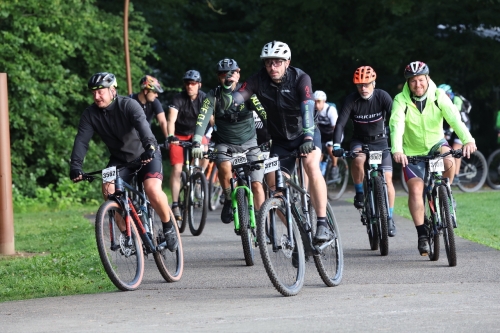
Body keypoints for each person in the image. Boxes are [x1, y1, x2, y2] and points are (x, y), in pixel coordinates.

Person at [219, 41, 331, 243]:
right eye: (269, 63)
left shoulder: (300, 78)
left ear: (287, 62)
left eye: (278, 62)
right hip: (280, 140)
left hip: (306, 133)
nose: (273, 67)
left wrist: (307, 136)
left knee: (311, 165)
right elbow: (241, 94)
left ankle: (322, 223)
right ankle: (297, 232)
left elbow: (307, 106)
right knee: (273, 186)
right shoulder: (258, 80)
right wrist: (231, 99)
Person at [69, 72, 178, 251]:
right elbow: (82, 141)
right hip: (120, 159)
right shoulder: (90, 114)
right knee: (108, 189)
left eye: (100, 91)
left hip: (146, 154)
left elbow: (143, 127)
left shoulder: (128, 105)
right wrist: (76, 166)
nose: (96, 96)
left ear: (113, 90)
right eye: (93, 92)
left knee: (151, 189)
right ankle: (130, 236)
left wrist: (150, 146)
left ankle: (168, 227)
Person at [389, 61, 477, 255]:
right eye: (413, 81)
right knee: (416, 189)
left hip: (435, 145)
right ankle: (422, 234)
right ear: (408, 83)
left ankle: (446, 190)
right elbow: (397, 125)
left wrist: (468, 140)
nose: (417, 84)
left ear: (427, 78)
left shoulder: (439, 96)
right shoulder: (400, 100)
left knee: (448, 160)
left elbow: (454, 118)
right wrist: (397, 150)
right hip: (411, 152)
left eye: (420, 80)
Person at [191, 58, 268, 224]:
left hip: (250, 144)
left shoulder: (248, 92)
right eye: (223, 74)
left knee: (256, 185)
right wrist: (197, 141)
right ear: (218, 77)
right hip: (225, 144)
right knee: (224, 166)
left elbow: (264, 113)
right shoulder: (213, 96)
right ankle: (228, 197)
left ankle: (263, 226)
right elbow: (202, 118)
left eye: (232, 73)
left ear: (239, 74)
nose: (228, 77)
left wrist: (274, 136)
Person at [332, 66, 396, 237]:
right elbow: (340, 124)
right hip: (359, 141)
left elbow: (396, 118)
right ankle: (360, 192)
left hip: (381, 142)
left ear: (374, 83)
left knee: (388, 180)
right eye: (359, 85)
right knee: (358, 160)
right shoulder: (351, 100)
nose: (363, 88)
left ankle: (389, 218)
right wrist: (336, 145)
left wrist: (399, 142)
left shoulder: (382, 96)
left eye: (367, 84)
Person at [167, 70, 208, 221]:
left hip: (197, 133)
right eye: (187, 84)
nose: (190, 86)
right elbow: (171, 119)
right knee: (177, 169)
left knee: (206, 151)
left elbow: (212, 120)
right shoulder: (178, 98)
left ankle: (198, 177)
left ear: (199, 85)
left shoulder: (205, 98)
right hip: (179, 135)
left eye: (193, 84)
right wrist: (171, 136)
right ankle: (176, 204)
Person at [438, 84, 472, 185]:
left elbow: (454, 117)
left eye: (445, 95)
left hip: (463, 125)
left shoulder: (456, 99)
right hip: (450, 126)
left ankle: (456, 175)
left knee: (456, 148)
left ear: (449, 94)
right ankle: (440, 171)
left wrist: (449, 130)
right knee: (441, 144)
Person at [129, 75, 168, 145]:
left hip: (147, 139)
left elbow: (162, 121)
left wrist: (168, 138)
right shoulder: (130, 101)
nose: (157, 95)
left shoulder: (154, 102)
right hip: (130, 141)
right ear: (146, 91)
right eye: (154, 92)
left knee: (155, 154)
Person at [313, 90, 339, 179]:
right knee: (317, 151)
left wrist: (335, 141)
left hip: (334, 133)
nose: (316, 105)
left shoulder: (330, 110)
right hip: (322, 134)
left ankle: (335, 166)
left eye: (319, 102)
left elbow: (336, 128)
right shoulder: (313, 110)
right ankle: (320, 173)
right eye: (315, 101)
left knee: (330, 147)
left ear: (324, 101)